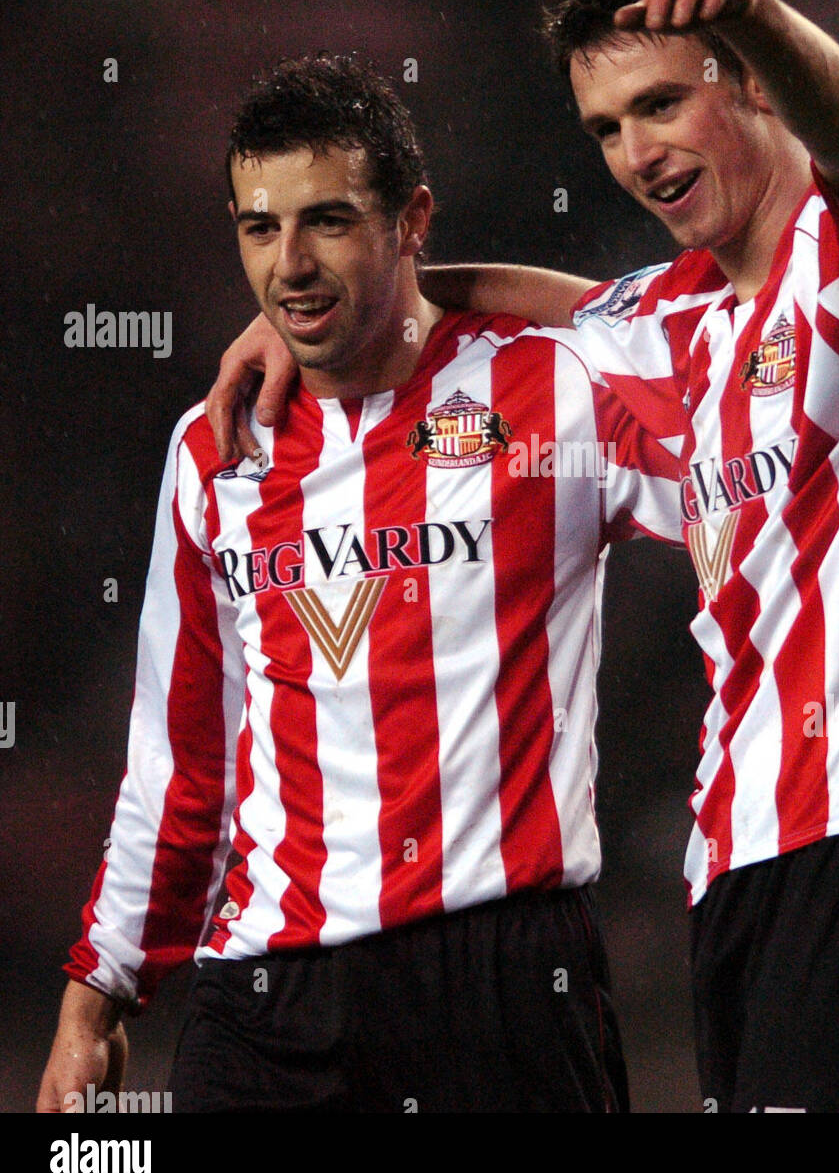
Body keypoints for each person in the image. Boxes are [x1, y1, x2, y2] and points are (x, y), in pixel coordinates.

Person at [208, 0, 839, 1113]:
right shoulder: (675, 324)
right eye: (605, 128)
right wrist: (326, 305)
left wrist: (750, 8)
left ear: (751, 86)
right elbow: (556, 309)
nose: (636, 152)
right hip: (739, 853)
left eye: (661, 103)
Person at [37, 54, 682, 1114]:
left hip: (501, 982)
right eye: (259, 228)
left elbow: (705, 359)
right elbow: (181, 754)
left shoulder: (546, 388)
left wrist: (447, 290)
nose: (288, 265)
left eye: (328, 221)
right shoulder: (212, 449)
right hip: (267, 992)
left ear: (410, 219)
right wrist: (95, 993)